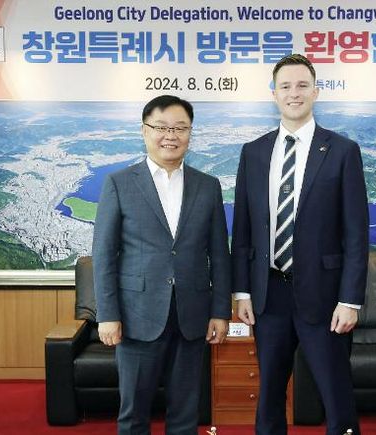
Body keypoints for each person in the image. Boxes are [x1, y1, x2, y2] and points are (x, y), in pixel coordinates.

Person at [231, 54, 369, 435]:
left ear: (316, 92)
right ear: (274, 94)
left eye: (302, 85)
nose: (294, 93)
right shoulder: (253, 152)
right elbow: (242, 229)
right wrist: (242, 292)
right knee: (269, 397)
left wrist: (350, 300)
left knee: (337, 398)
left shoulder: (342, 151)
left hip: (325, 298)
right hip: (269, 295)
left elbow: (356, 234)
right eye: (286, 86)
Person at [92, 95, 232, 435]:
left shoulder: (208, 186)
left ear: (190, 133)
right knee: (134, 414)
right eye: (162, 127)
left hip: (192, 316)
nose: (171, 135)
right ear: (144, 131)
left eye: (180, 128)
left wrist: (220, 312)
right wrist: (107, 314)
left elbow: (219, 254)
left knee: (185, 413)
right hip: (136, 315)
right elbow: (104, 255)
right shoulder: (119, 183)